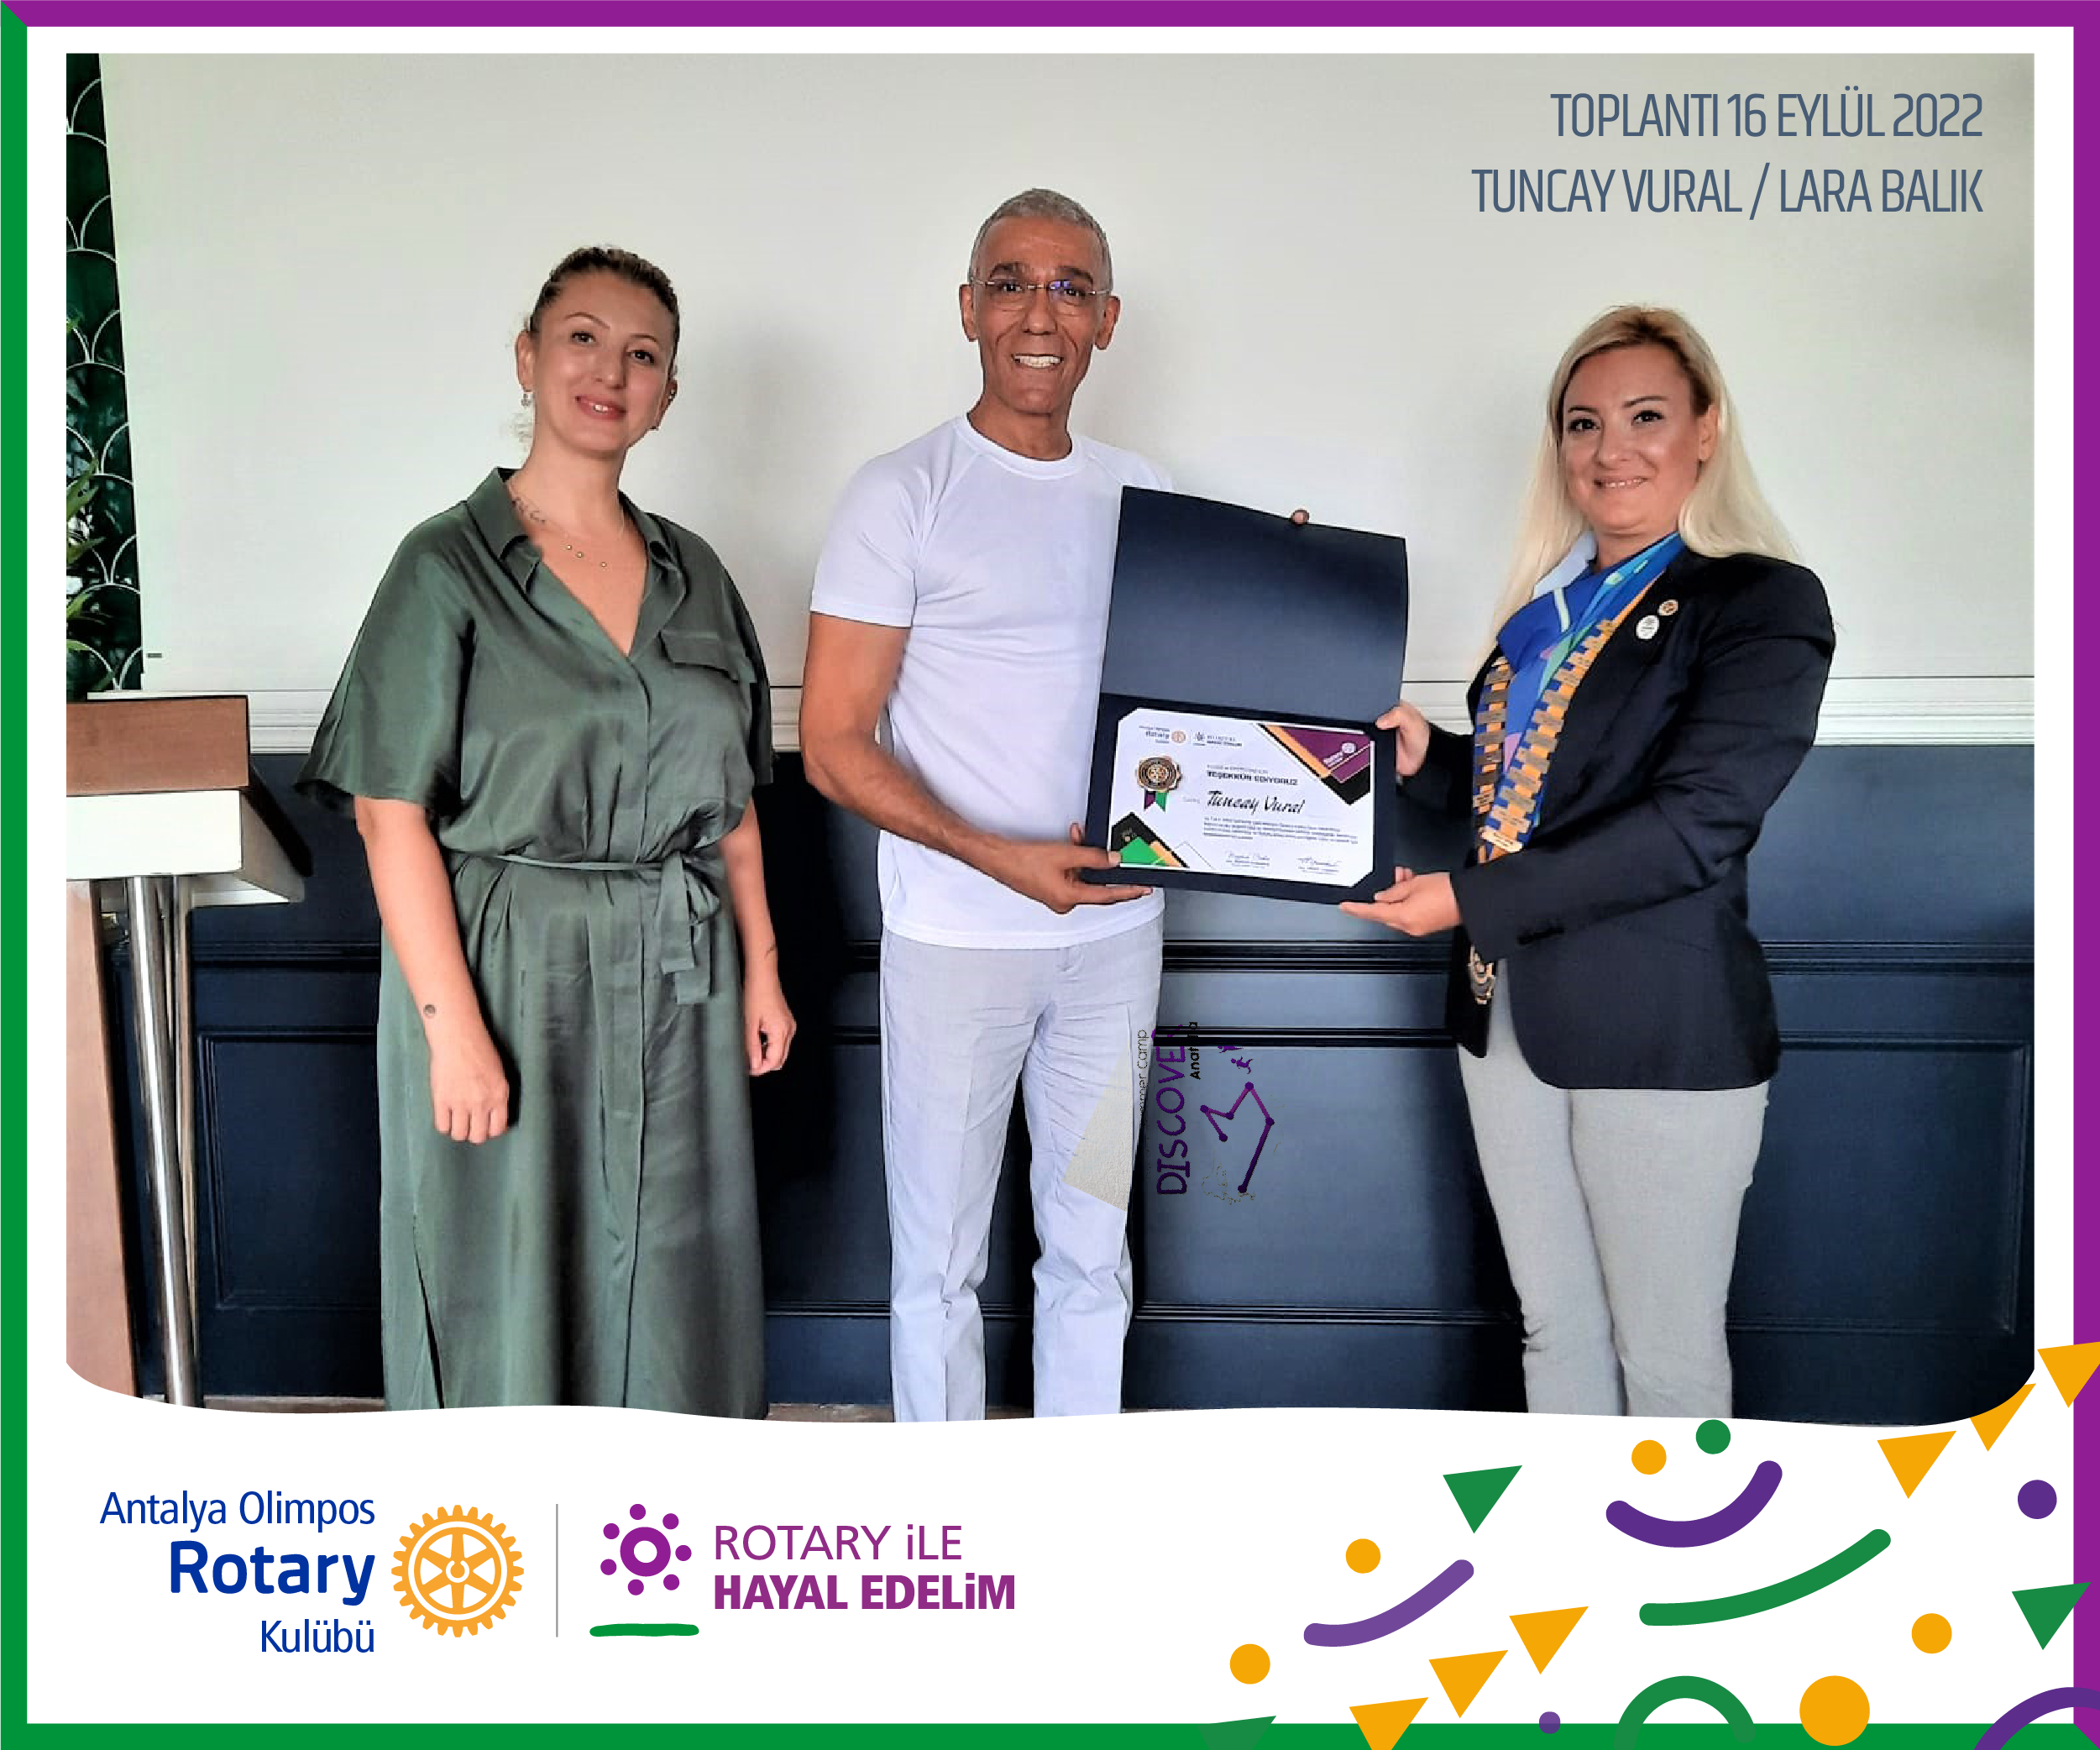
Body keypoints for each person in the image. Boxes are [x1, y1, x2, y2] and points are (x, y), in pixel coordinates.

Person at [298, 246, 793, 1414]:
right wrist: (454, 1035)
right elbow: (388, 812)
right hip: (506, 969)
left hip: (680, 980)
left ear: (668, 393)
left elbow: (733, 803)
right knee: (506, 1271)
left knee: (676, 1278)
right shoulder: (445, 566)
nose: (609, 372)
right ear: (527, 358)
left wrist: (764, 973)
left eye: (642, 354)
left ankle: (667, 1517)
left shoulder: (696, 573)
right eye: (582, 338)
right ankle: (510, 1517)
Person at [1343, 307, 1834, 1419]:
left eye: (1645, 417)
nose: (1611, 450)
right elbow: (1546, 790)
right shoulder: (1550, 613)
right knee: (1555, 1330)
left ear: (1706, 430)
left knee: (1666, 1360)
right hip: (1505, 1013)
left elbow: (1694, 823)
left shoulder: (1761, 602)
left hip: (1658, 1024)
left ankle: (1673, 1541)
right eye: (1583, 424)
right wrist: (1432, 761)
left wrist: (1470, 898)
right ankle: (1575, 1537)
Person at [799, 189, 1165, 1422]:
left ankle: (1076, 1512)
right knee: (938, 1267)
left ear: (1107, 319)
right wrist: (998, 858)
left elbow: (1204, 698)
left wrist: (1283, 584)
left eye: (1069, 288)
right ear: (969, 309)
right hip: (954, 949)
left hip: (1116, 950)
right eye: (1010, 283)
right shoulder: (899, 493)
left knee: (1094, 1250)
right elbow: (831, 744)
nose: (1038, 314)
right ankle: (944, 1516)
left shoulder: (1148, 495)